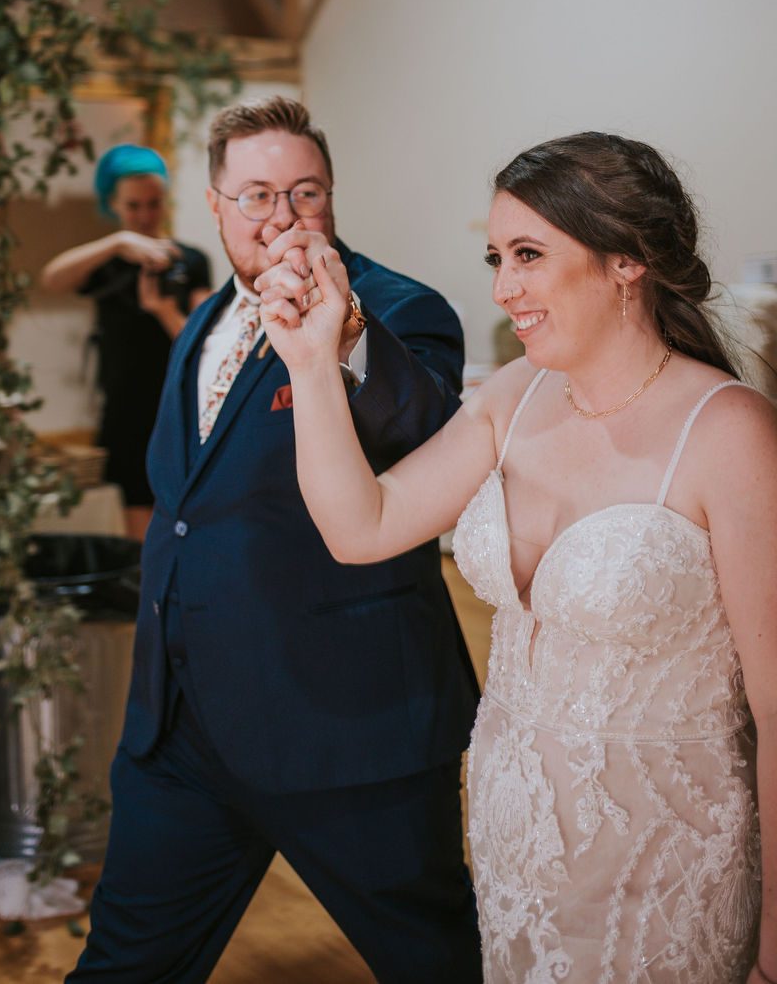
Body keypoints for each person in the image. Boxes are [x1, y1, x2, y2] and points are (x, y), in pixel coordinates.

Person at [259, 130, 777, 984]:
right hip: (515, 855)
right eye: (497, 258)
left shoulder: (728, 433)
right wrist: (311, 363)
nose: (503, 288)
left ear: (626, 260)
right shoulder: (514, 397)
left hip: (665, 872)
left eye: (529, 255)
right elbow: (363, 527)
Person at [65, 96, 482, 984]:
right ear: (214, 206)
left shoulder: (400, 308)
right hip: (180, 734)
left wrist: (346, 332)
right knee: (123, 966)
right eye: (256, 196)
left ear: (331, 195)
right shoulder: (200, 324)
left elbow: (432, 441)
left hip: (347, 731)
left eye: (306, 193)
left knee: (434, 961)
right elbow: (187, 511)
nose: (283, 217)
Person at [41, 144, 212, 539]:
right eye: (133, 206)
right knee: (138, 529)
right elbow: (51, 279)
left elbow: (204, 347)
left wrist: (163, 310)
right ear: (112, 204)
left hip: (180, 407)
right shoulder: (108, 264)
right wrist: (117, 244)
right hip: (125, 412)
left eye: (154, 203)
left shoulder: (189, 260)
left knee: (188, 515)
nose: (146, 215)